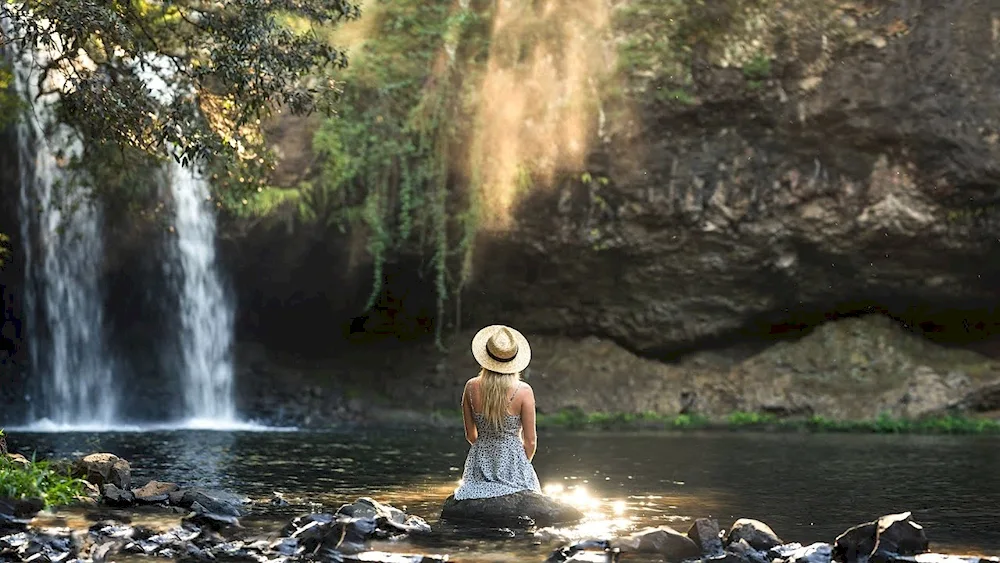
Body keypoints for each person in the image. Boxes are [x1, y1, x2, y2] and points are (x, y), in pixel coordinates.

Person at [453, 324, 542, 501]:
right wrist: (519, 465)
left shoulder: (470, 387)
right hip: (514, 465)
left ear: (486, 357)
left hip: (479, 464)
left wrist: (487, 454)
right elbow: (530, 442)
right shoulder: (524, 391)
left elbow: (471, 435)